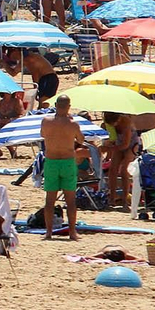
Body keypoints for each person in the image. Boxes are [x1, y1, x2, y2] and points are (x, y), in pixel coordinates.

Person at [40, 95, 97, 241]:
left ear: (56, 105)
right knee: (70, 200)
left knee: (50, 200)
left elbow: (42, 135)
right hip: (67, 162)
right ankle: (72, 232)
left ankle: (48, 232)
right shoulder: (73, 124)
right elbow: (81, 139)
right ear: (68, 106)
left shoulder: (46, 121)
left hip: (51, 161)